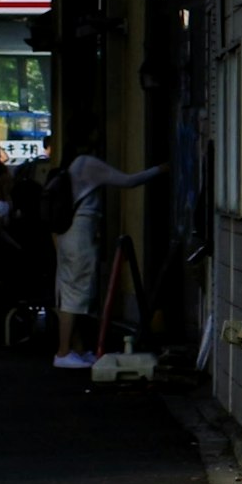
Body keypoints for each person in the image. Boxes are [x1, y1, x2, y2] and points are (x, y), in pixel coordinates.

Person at [49, 141, 163, 368]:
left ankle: (76, 350)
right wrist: (160, 169)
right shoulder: (87, 163)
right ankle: (63, 352)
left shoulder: (70, 165)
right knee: (76, 295)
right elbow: (128, 181)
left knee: (71, 293)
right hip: (81, 235)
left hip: (65, 235)